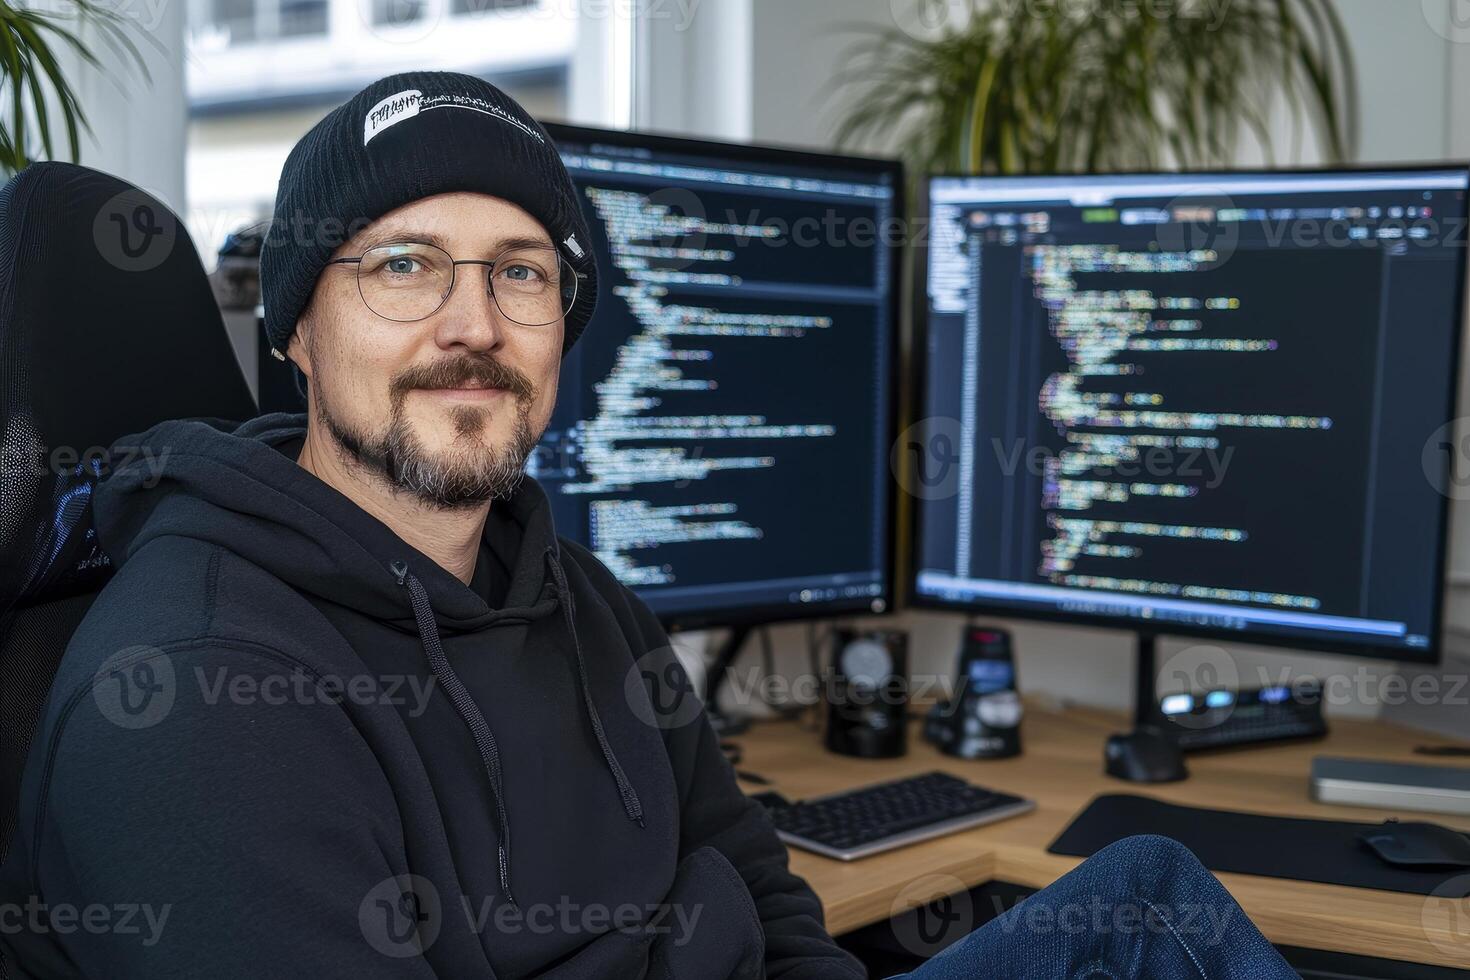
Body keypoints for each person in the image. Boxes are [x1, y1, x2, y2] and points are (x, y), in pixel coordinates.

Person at [0, 71, 1297, 979]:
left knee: (1148, 893)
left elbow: (765, 888)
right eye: (401, 264)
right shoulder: (198, 697)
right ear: (292, 325)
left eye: (520, 271)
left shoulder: (573, 590)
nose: (472, 322)